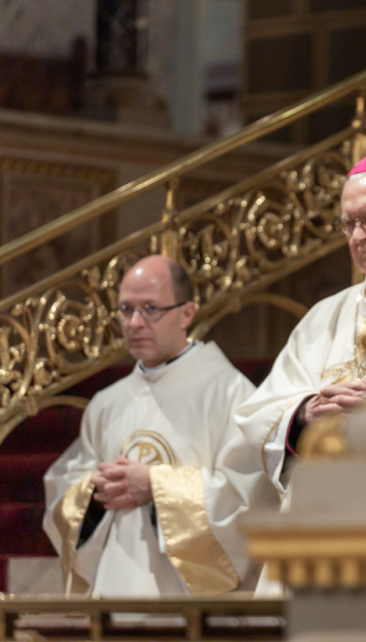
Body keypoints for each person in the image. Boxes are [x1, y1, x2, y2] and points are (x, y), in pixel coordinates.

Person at [42, 255, 274, 595]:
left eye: (150, 309)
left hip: (188, 602)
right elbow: (64, 490)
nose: (134, 323)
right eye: (126, 310)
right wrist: (93, 494)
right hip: (113, 590)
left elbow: (249, 499)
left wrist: (157, 486)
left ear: (187, 313)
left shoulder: (231, 395)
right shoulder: (107, 404)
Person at [234, 153, 366, 507]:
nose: (358, 235)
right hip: (325, 518)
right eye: (348, 223)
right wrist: (304, 413)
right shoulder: (324, 318)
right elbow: (257, 416)